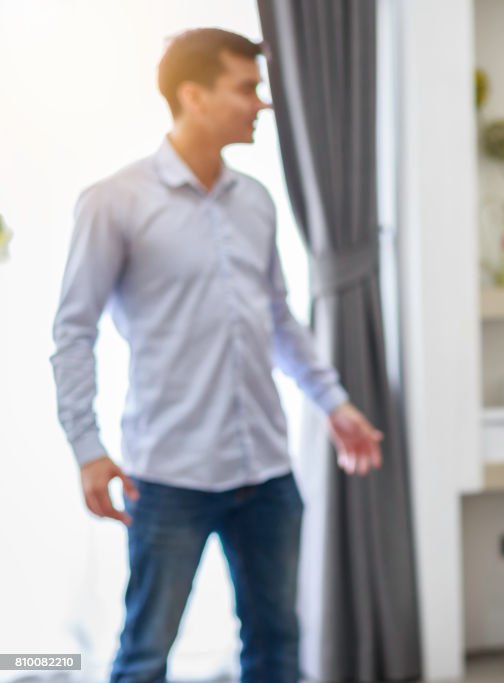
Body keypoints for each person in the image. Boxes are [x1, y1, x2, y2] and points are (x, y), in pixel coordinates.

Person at [50, 28, 382, 683]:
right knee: (145, 651)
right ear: (193, 95)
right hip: (168, 473)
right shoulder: (114, 201)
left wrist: (334, 403)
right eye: (248, 89)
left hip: (266, 471)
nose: (262, 104)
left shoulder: (255, 201)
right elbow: (72, 331)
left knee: (277, 645)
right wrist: (88, 447)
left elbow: (279, 320)